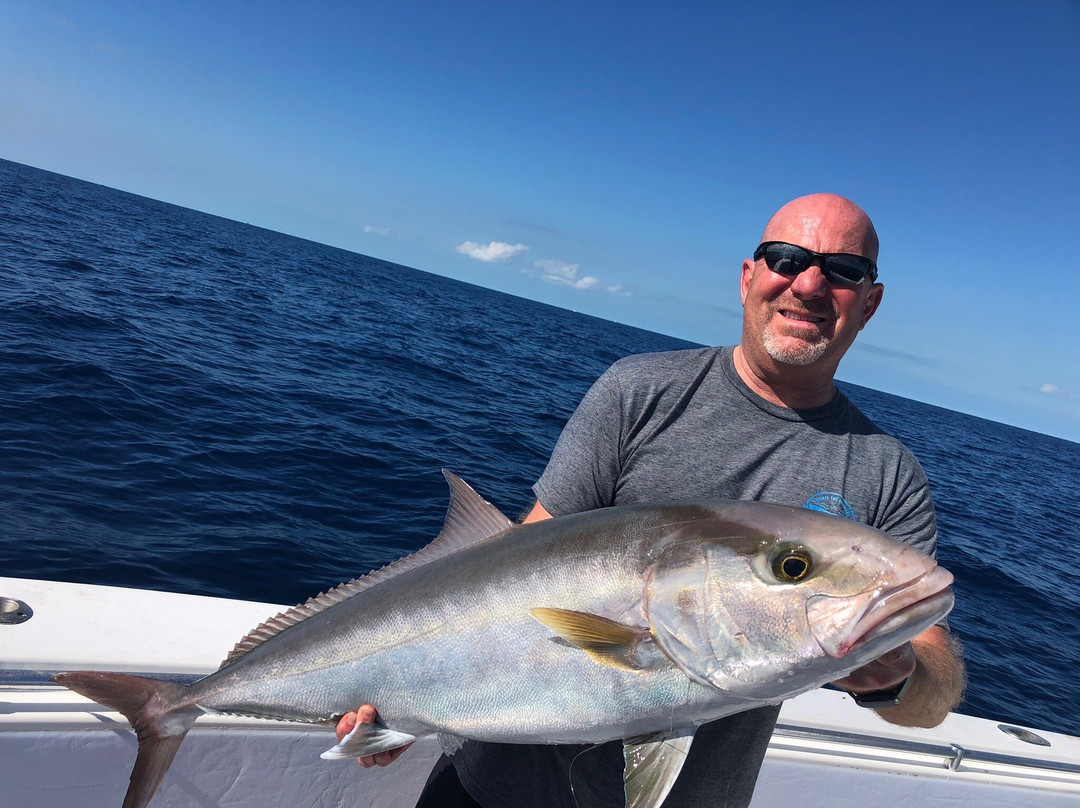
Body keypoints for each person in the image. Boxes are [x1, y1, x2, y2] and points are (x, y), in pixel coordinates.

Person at [335, 193, 966, 807]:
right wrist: (400, 697)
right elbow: (506, 571)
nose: (807, 285)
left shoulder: (888, 475)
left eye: (843, 271)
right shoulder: (641, 393)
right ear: (749, 277)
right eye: (785, 259)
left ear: (871, 302)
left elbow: (934, 698)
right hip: (488, 791)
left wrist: (899, 676)